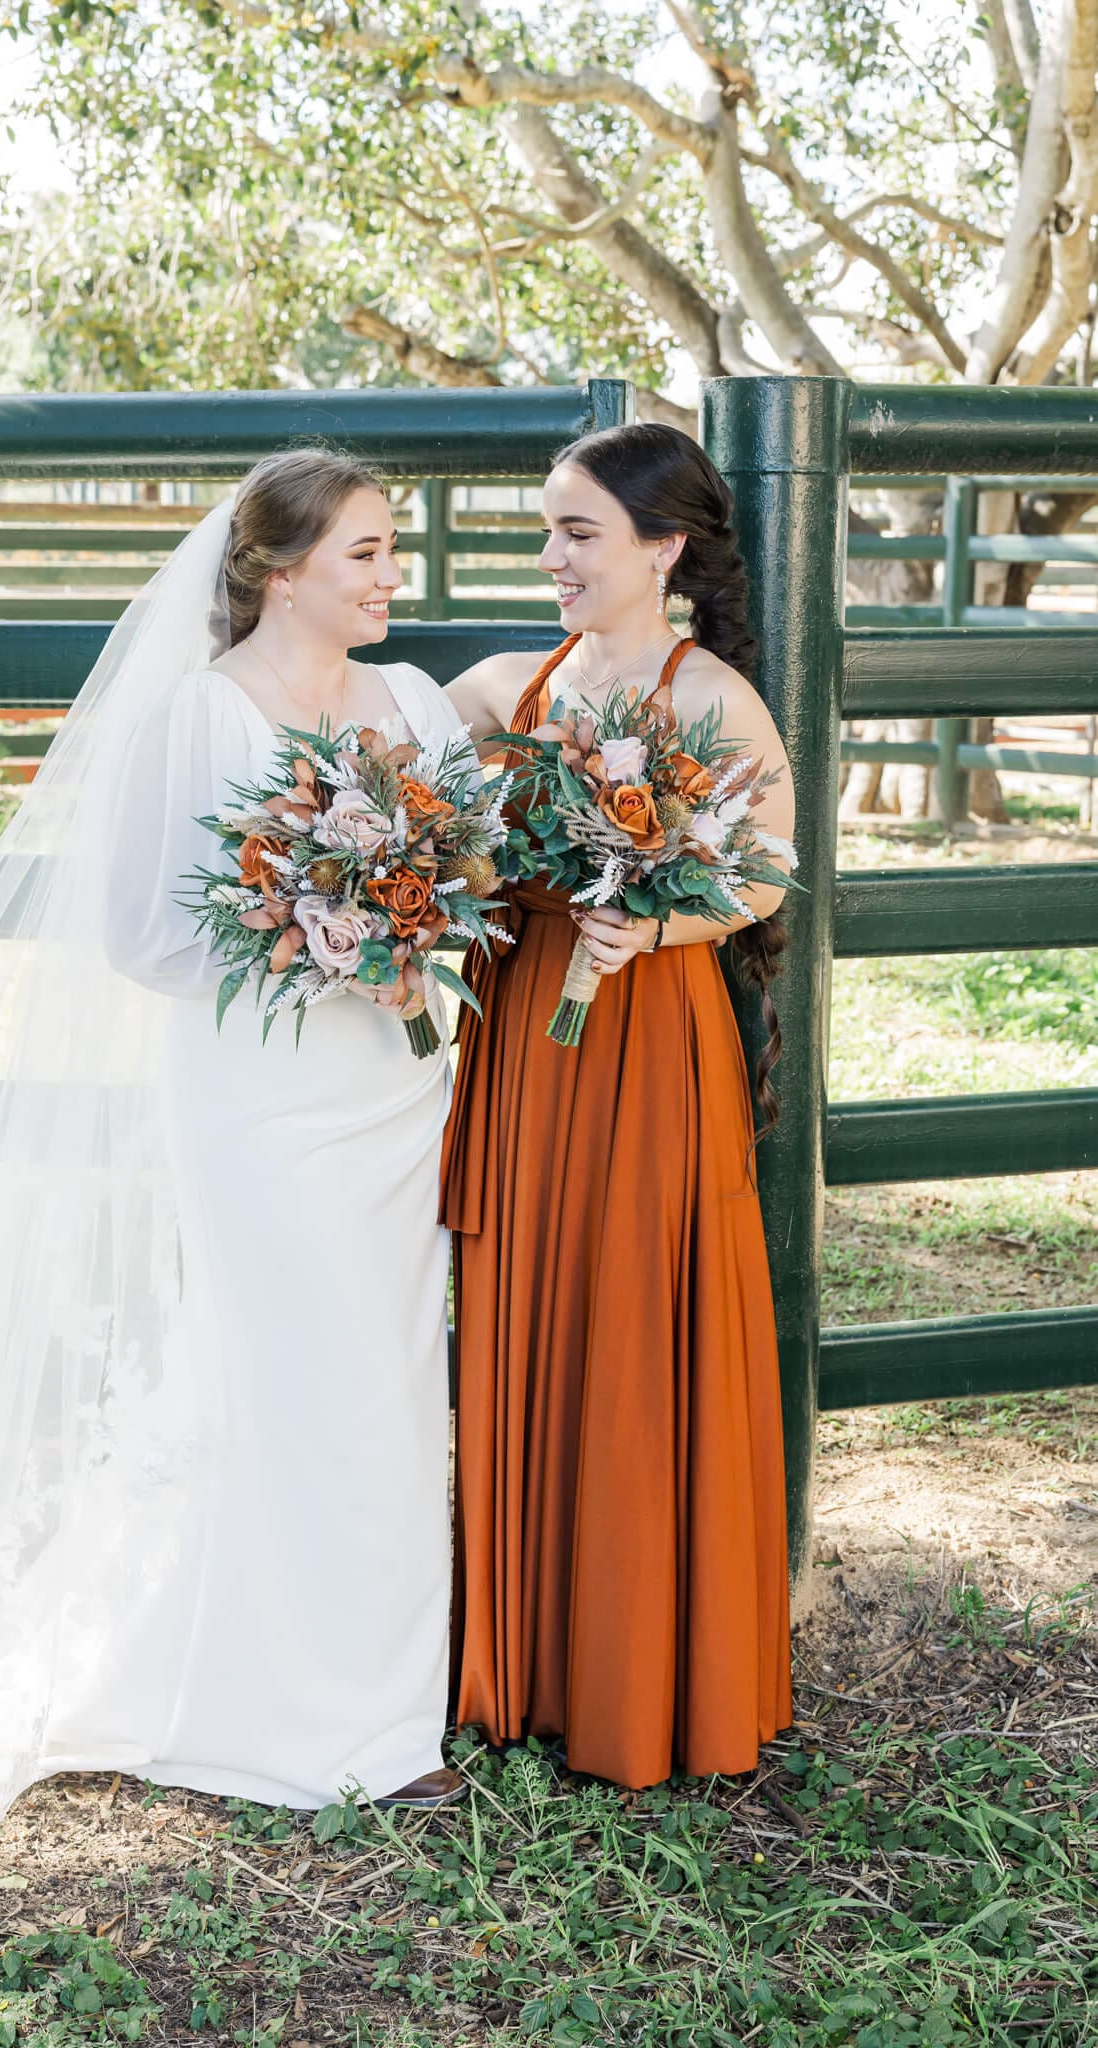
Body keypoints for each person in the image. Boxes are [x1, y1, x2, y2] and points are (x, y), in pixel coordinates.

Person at [0, 448, 462, 1958]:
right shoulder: (196, 716)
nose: (394, 580)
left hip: (398, 1090)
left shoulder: (416, 710)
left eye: (395, 553)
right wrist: (317, 941)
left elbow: (468, 885)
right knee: (282, 1366)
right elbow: (138, 933)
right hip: (256, 1094)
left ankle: (378, 1699)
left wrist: (414, 934)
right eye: (369, 554)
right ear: (278, 569)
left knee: (386, 1376)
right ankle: (263, 1696)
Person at [441, 421, 795, 1790]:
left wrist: (652, 928)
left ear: (664, 548)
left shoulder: (708, 696)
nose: (549, 558)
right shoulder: (512, 681)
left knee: (637, 1329)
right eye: (545, 529)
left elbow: (762, 873)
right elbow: (372, 731)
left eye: (576, 533)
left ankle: (637, 1674)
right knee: (529, 1308)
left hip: (647, 1039)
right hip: (530, 1033)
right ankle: (518, 1670)